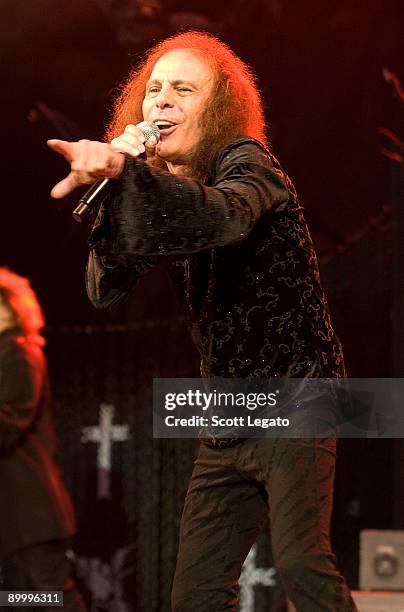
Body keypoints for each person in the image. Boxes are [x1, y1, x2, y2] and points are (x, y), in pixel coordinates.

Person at [48, 31, 357, 611]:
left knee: (300, 562)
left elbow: (223, 219)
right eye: (155, 89)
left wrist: (128, 173)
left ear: (218, 110)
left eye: (183, 90)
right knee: (194, 594)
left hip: (298, 392)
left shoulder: (248, 164)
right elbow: (105, 289)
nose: (161, 101)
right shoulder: (168, 189)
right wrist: (118, 188)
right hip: (229, 412)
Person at [0, 268, 86, 612]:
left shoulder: (19, 352)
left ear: (10, 307)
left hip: (30, 508)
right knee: (18, 599)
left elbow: (10, 422)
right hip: (14, 512)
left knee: (50, 595)